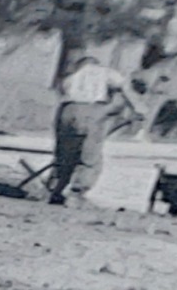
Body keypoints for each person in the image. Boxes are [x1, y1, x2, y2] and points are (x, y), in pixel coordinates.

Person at [49, 54, 144, 207]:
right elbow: (124, 87)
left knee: (65, 153)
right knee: (91, 157)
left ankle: (56, 190)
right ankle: (75, 194)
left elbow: (63, 91)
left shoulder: (72, 75)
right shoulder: (105, 72)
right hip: (91, 111)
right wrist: (137, 108)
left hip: (66, 111)